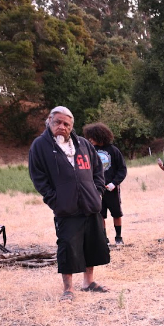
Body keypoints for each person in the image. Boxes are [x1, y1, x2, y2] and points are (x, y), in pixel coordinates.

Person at [29, 106, 110, 302]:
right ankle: (68, 289)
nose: (61, 127)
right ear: (49, 121)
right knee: (68, 246)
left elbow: (98, 170)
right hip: (66, 208)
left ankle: (88, 282)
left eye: (66, 124)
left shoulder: (82, 144)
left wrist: (97, 191)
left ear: (71, 126)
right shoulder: (40, 146)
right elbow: (38, 178)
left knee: (91, 244)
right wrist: (54, 199)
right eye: (57, 122)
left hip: (90, 204)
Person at [83, 122, 128, 247]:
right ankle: (104, 238)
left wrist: (114, 183)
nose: (90, 139)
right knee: (100, 215)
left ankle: (118, 237)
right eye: (89, 137)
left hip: (112, 190)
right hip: (96, 190)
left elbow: (122, 169)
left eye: (92, 137)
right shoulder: (90, 151)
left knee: (116, 213)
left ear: (100, 136)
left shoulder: (113, 150)